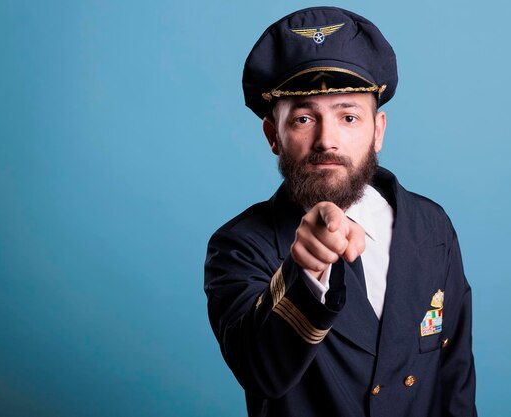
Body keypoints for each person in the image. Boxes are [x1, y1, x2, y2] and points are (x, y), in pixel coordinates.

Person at [204, 6, 476, 417]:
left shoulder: (431, 227)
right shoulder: (239, 246)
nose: (326, 140)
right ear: (272, 136)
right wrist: (307, 271)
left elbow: (455, 380)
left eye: (348, 116)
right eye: (303, 118)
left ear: (378, 130)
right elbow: (261, 371)